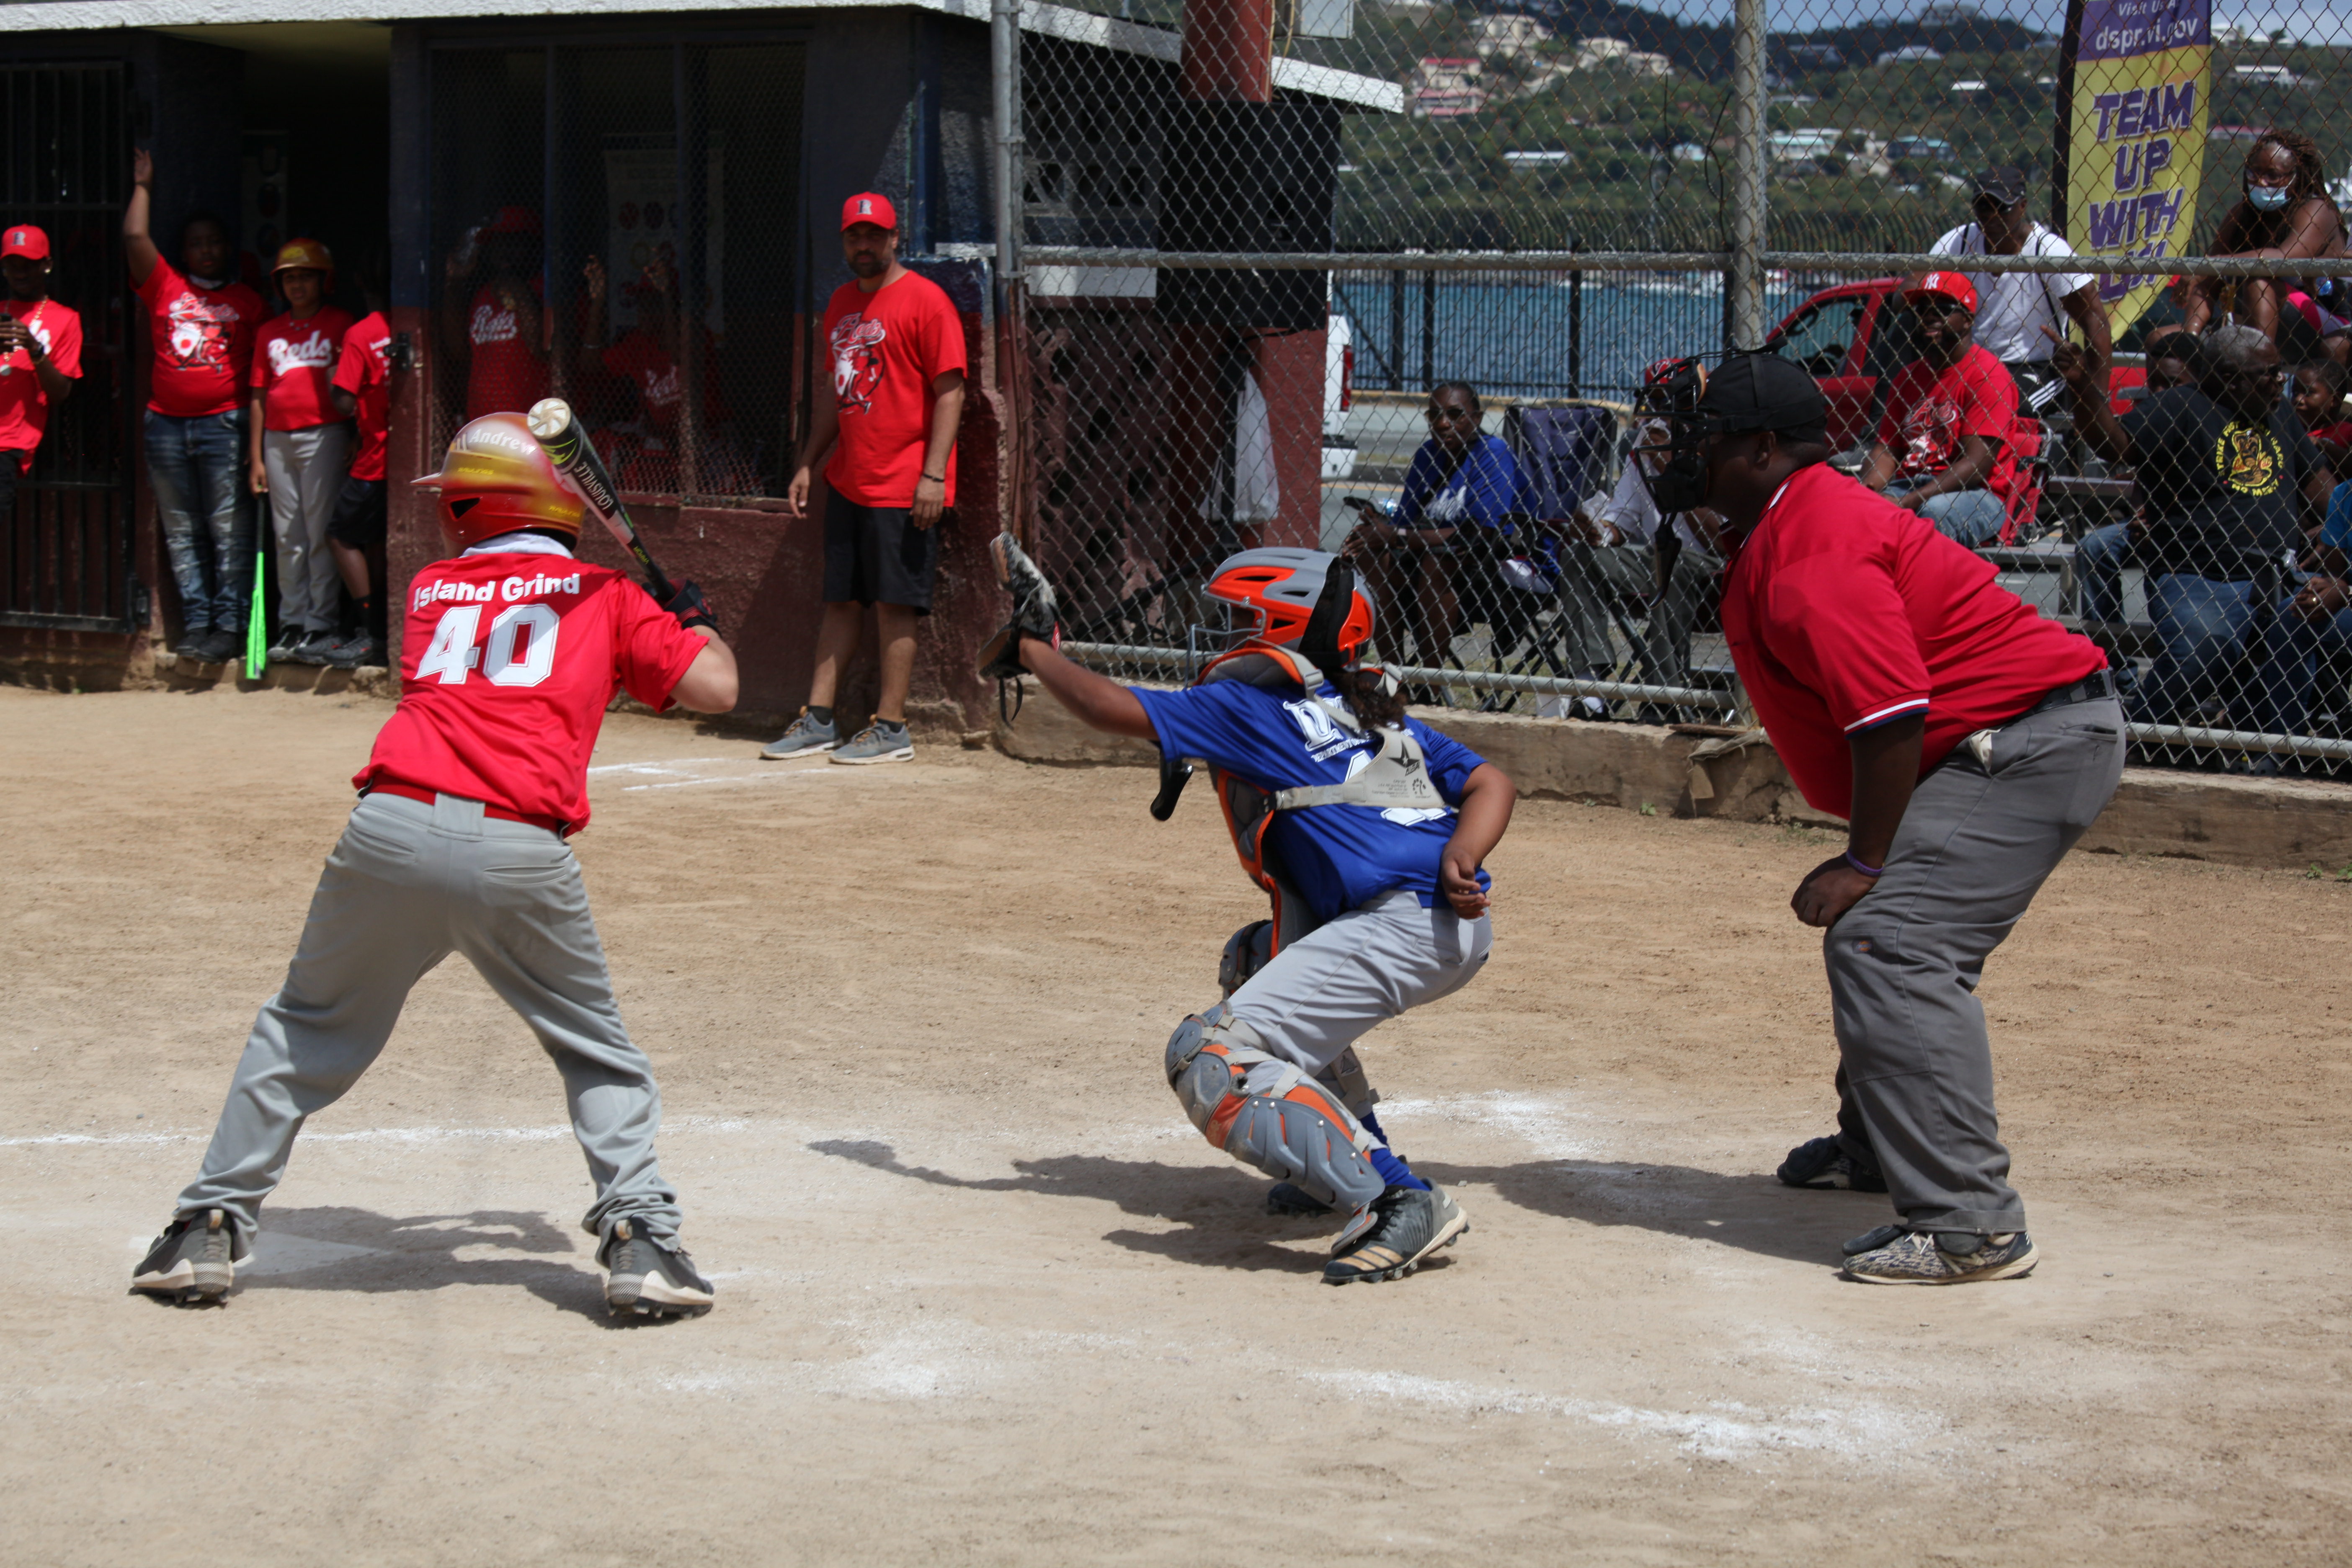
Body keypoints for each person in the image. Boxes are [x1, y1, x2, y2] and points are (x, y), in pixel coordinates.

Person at [131, 412, 739, 1317]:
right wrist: (691, 619)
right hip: (519, 852)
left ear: (476, 510)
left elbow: (509, 617)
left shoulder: (430, 590)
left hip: (388, 832)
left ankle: (207, 1227)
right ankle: (639, 1237)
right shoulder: (602, 593)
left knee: (303, 1026)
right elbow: (720, 688)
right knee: (596, 1052)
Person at [1635, 351, 2121, 1284]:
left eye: (1703, 439)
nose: (1680, 453)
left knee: (1889, 941)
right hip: (2003, 741)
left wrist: (1865, 857)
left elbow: (1890, 711)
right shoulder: (1785, 521)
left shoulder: (1813, 544)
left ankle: (1970, 1223)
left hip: (2030, 743)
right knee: (1884, 928)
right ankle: (1882, 1151)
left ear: (1765, 449)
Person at [978, 537, 1514, 1284]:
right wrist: (1464, 850)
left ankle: (1397, 1196)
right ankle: (1346, 1150)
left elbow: (1104, 705)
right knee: (1255, 959)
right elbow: (1491, 779)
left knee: (1206, 1057)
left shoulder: (1250, 705)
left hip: (1398, 927)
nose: (1226, 635)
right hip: (1446, 923)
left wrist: (1032, 650)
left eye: (1242, 618)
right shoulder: (1370, 711)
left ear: (1287, 625)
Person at [764, 193, 966, 766]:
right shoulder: (840, 304)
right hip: (851, 478)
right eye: (855, 236)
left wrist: (933, 476)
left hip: (905, 482)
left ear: (895, 238)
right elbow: (836, 390)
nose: (864, 245)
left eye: (874, 236)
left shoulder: (927, 302)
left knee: (894, 604)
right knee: (841, 602)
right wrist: (809, 460)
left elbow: (952, 392)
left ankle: (892, 727)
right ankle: (819, 719)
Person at [2057, 324, 2335, 727]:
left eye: (2280, 372)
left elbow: (2319, 484)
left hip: (2280, 575)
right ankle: (2145, 733)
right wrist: (2083, 388)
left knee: (2307, 632)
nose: (2281, 383)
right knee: (2206, 646)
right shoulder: (2181, 406)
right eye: (2270, 374)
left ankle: (2258, 743)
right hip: (2200, 575)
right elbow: (2113, 446)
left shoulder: (2279, 413)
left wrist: (2339, 530)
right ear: (2229, 379)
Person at [125, 149, 265, 665]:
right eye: (195, 244)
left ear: (228, 248)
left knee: (229, 528)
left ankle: (229, 627)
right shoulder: (165, 285)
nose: (205, 251)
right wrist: (143, 185)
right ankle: (198, 623)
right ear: (183, 252)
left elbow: (261, 379)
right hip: (165, 424)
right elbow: (135, 239)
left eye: (213, 243)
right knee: (181, 529)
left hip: (225, 424)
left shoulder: (250, 302)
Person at [1339, 382, 1526, 671]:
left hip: (1478, 564)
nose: (1442, 424)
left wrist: (1397, 536)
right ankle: (1392, 672)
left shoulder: (1493, 453)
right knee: (1368, 549)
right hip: (1422, 555)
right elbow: (1405, 521)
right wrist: (1379, 527)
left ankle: (1431, 678)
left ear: (1476, 418)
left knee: (1438, 560)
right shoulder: (1428, 455)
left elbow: (1481, 532)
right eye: (1434, 415)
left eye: (1455, 415)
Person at [249, 239, 356, 665]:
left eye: (305, 277)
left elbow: (350, 387)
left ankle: (320, 623)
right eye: (289, 277)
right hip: (277, 439)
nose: (297, 285)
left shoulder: (340, 323)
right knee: (287, 536)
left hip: (325, 435)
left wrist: (353, 432)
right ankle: (291, 623)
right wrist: (256, 455)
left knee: (317, 532)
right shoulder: (269, 332)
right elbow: (258, 394)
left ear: (324, 281)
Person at [1857, 271, 2019, 548]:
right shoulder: (1906, 377)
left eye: (1942, 309)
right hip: (1909, 485)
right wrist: (1865, 494)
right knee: (1856, 512)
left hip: (1976, 495)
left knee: (1934, 514)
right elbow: (1887, 450)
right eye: (1922, 310)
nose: (1930, 317)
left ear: (1967, 320)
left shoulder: (1988, 375)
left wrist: (1907, 503)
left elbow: (1977, 466)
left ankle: (1928, 591)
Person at [1930, 166, 2111, 412]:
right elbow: (1915, 284)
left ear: (2023, 206)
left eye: (2001, 207)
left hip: (2035, 366)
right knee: (1905, 325)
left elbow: (2095, 319)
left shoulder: (2046, 250)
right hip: (1973, 364)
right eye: (1983, 207)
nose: (1991, 216)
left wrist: (2098, 404)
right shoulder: (1960, 242)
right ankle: (1878, 433)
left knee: (2002, 405)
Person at [1570, 413, 1727, 698]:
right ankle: (1589, 683)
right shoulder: (1642, 452)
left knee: (1670, 558)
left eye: (1665, 406)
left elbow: (1720, 541)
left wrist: (1671, 472)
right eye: (1652, 405)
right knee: (1579, 555)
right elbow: (1622, 523)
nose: (1656, 418)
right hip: (1655, 560)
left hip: (1710, 570)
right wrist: (1597, 530)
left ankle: (1665, 694)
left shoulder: (1716, 448)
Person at [2182, 129, 2348, 350]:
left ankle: (2259, 372)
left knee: (2258, 283)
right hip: (2259, 325)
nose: (2261, 182)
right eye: (2254, 173)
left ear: (2298, 177)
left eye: (2273, 175)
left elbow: (2284, 258)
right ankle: (2191, 348)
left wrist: (2212, 265)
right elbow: (2207, 283)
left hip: (2327, 321)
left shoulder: (2315, 210)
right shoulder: (2241, 216)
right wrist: (2189, 339)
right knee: (2162, 339)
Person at [578, 253, 731, 492]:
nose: (645, 312)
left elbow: (677, 356)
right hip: (661, 442)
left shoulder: (698, 336)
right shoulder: (637, 342)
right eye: (642, 304)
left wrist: (667, 297)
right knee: (607, 441)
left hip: (705, 439)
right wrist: (597, 303)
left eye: (653, 303)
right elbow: (589, 364)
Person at [2250, 479, 2352, 760]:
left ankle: (2241, 716)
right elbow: (2337, 575)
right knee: (2293, 611)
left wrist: (2346, 593)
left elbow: (2345, 588)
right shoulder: (2346, 494)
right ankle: (2286, 749)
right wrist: (2323, 591)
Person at [325, 274, 393, 668]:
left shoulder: (362, 333)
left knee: (339, 535)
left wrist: (333, 374)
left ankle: (370, 633)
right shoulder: (412, 326)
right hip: (403, 458)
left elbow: (344, 401)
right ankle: (379, 628)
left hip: (376, 458)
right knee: (378, 543)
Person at [0, 223, 81, 540]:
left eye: (29, 265)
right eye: (12, 265)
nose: (20, 273)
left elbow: (61, 392)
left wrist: (35, 351)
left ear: (47, 265)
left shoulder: (66, 318)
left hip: (8, 443)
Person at [441, 206, 548, 423]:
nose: (504, 250)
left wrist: (518, 290)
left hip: (529, 426)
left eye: (514, 242)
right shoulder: (485, 294)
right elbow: (459, 350)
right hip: (485, 427)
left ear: (533, 244)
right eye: (497, 243)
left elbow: (540, 347)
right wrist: (454, 284)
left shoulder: (544, 291)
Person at [2292, 358, 2352, 464]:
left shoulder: (2348, 432)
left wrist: (2323, 445)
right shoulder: (2290, 430)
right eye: (2295, 392)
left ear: (2335, 400)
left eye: (2308, 393)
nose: (2298, 399)